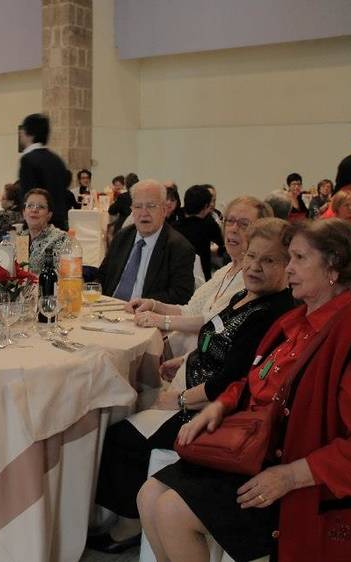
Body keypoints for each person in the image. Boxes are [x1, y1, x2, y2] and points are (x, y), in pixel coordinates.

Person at [138, 218, 351, 562]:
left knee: (172, 512)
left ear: (332, 267)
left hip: (298, 477)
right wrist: (219, 406)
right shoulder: (297, 319)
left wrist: (290, 475)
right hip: (252, 448)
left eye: (299, 259)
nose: (289, 269)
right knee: (148, 495)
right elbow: (252, 379)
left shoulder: (348, 333)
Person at [89, 218, 294, 555]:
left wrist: (180, 399)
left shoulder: (269, 312)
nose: (254, 266)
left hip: (212, 418)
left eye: (269, 260)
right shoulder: (245, 296)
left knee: (122, 433)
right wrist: (185, 363)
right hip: (195, 396)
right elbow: (216, 344)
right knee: (141, 471)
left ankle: (125, 525)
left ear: (288, 266)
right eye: (251, 257)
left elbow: (230, 382)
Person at [128, 196, 273, 355]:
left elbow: (216, 321)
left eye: (244, 224)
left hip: (203, 359)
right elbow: (190, 310)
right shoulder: (225, 270)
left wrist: (162, 321)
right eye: (229, 221)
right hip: (179, 351)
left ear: (261, 235)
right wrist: (154, 305)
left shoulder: (254, 278)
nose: (233, 228)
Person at [99, 179, 196, 305]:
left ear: (164, 210)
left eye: (151, 206)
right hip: (108, 310)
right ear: (132, 210)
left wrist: (145, 303)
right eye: (138, 207)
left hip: (145, 316)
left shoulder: (179, 248)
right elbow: (103, 275)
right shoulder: (123, 236)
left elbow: (181, 295)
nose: (144, 213)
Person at [17, 113, 70, 230]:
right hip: (60, 223)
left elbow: (29, 196)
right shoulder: (57, 160)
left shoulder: (28, 160)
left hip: (39, 224)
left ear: (29, 133)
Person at [175, 185, 225, 281]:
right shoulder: (209, 224)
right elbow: (223, 248)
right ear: (206, 206)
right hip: (202, 278)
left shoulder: (174, 226)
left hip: (177, 276)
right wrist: (216, 251)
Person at [22, 188, 69, 274]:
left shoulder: (61, 238)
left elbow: (60, 275)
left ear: (49, 215)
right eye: (30, 206)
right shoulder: (18, 237)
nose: (34, 210)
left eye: (41, 207)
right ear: (24, 213)